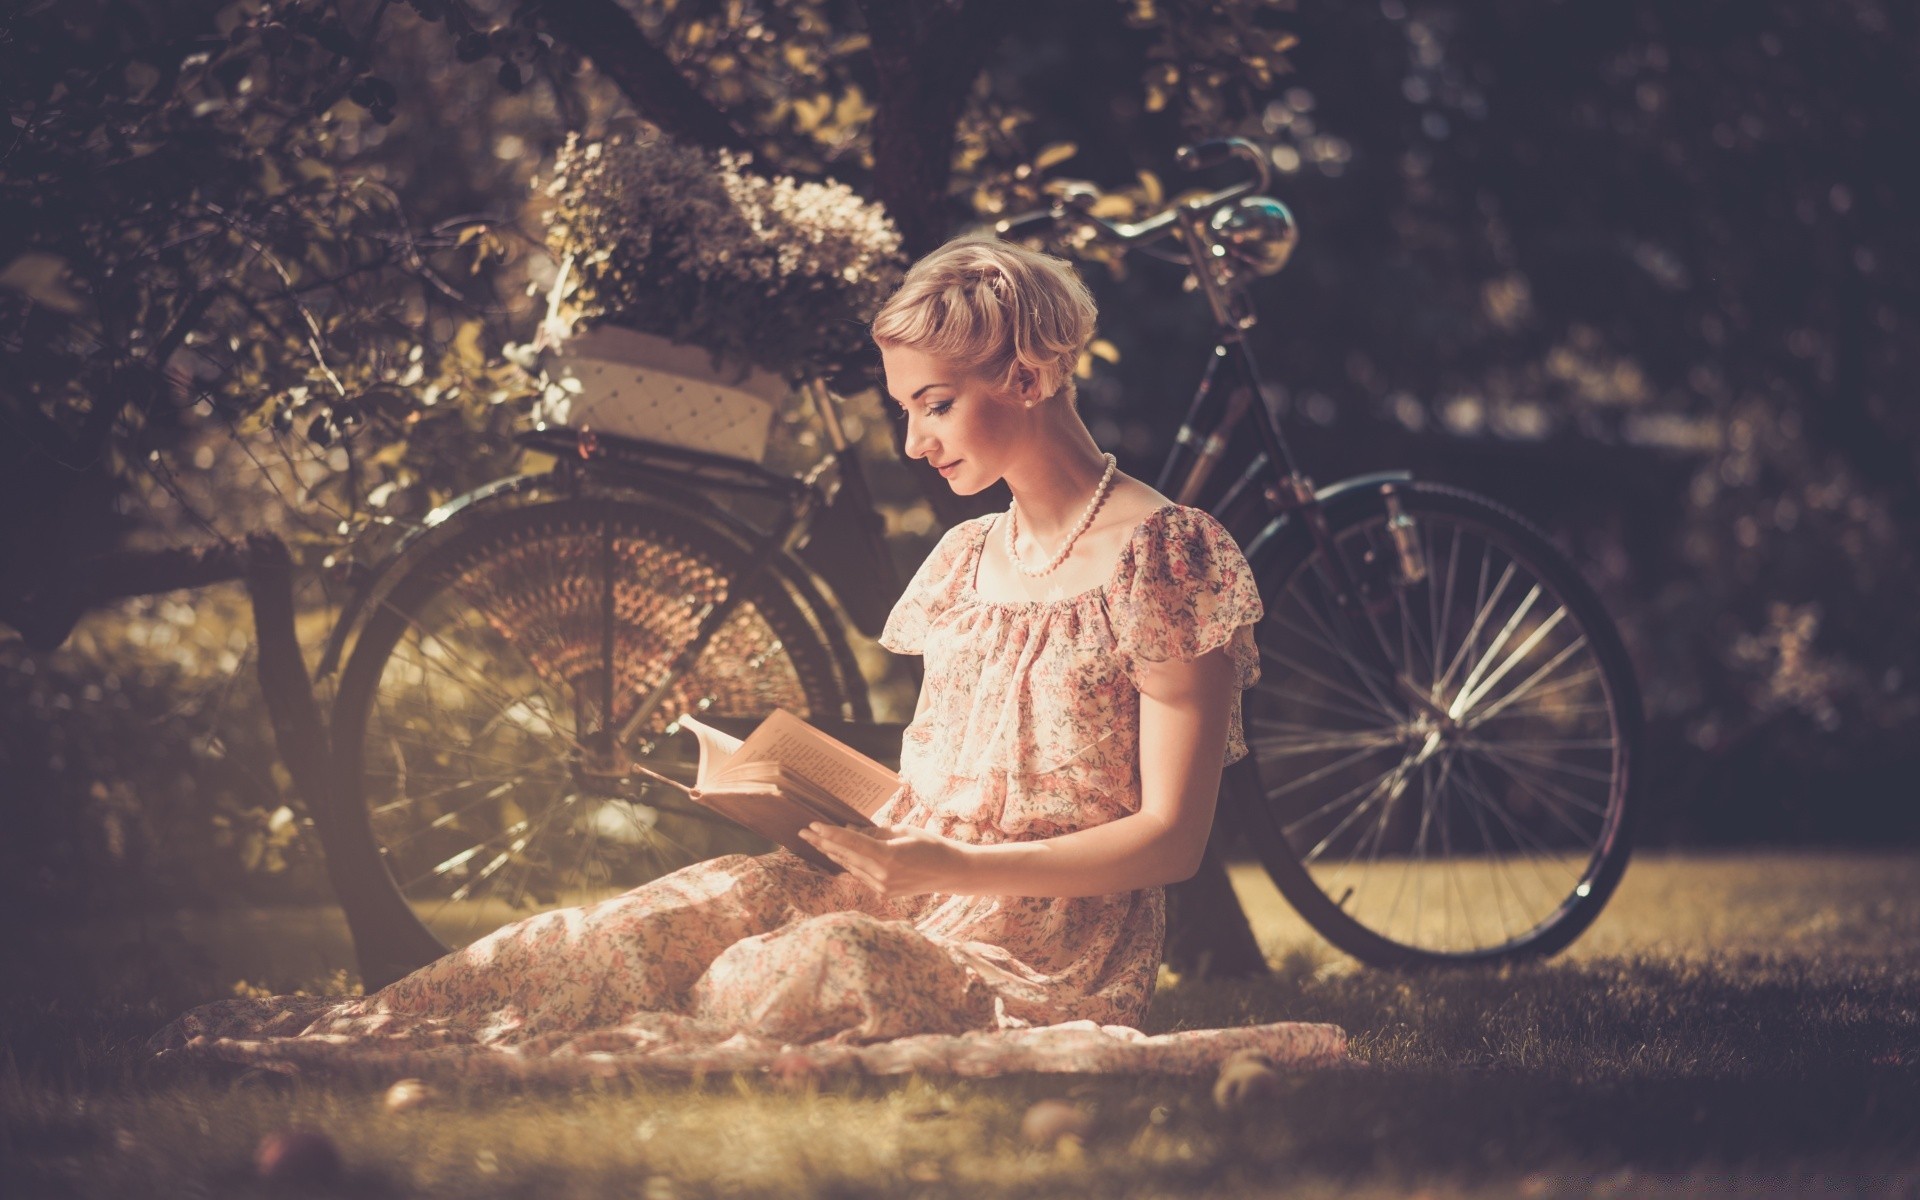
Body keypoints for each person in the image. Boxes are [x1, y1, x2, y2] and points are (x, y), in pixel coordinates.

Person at [147, 236, 1347, 1081]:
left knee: (797, 972)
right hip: (894, 881)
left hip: (1038, 956)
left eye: (934, 404)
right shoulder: (968, 558)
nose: (915, 439)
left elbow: (1174, 841)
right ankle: (365, 1039)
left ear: (1026, 379)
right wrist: (823, 811)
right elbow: (946, 782)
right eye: (902, 410)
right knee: (619, 931)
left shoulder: (1169, 554)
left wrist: (950, 870)